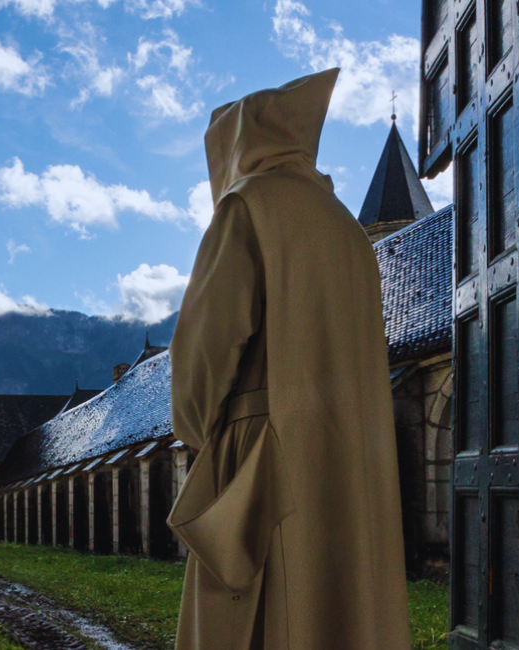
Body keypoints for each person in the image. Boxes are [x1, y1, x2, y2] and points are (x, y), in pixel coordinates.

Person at [167, 69, 411, 650]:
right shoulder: (349, 231)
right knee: (341, 610)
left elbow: (200, 360)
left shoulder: (246, 207)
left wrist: (205, 434)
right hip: (349, 465)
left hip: (264, 462)